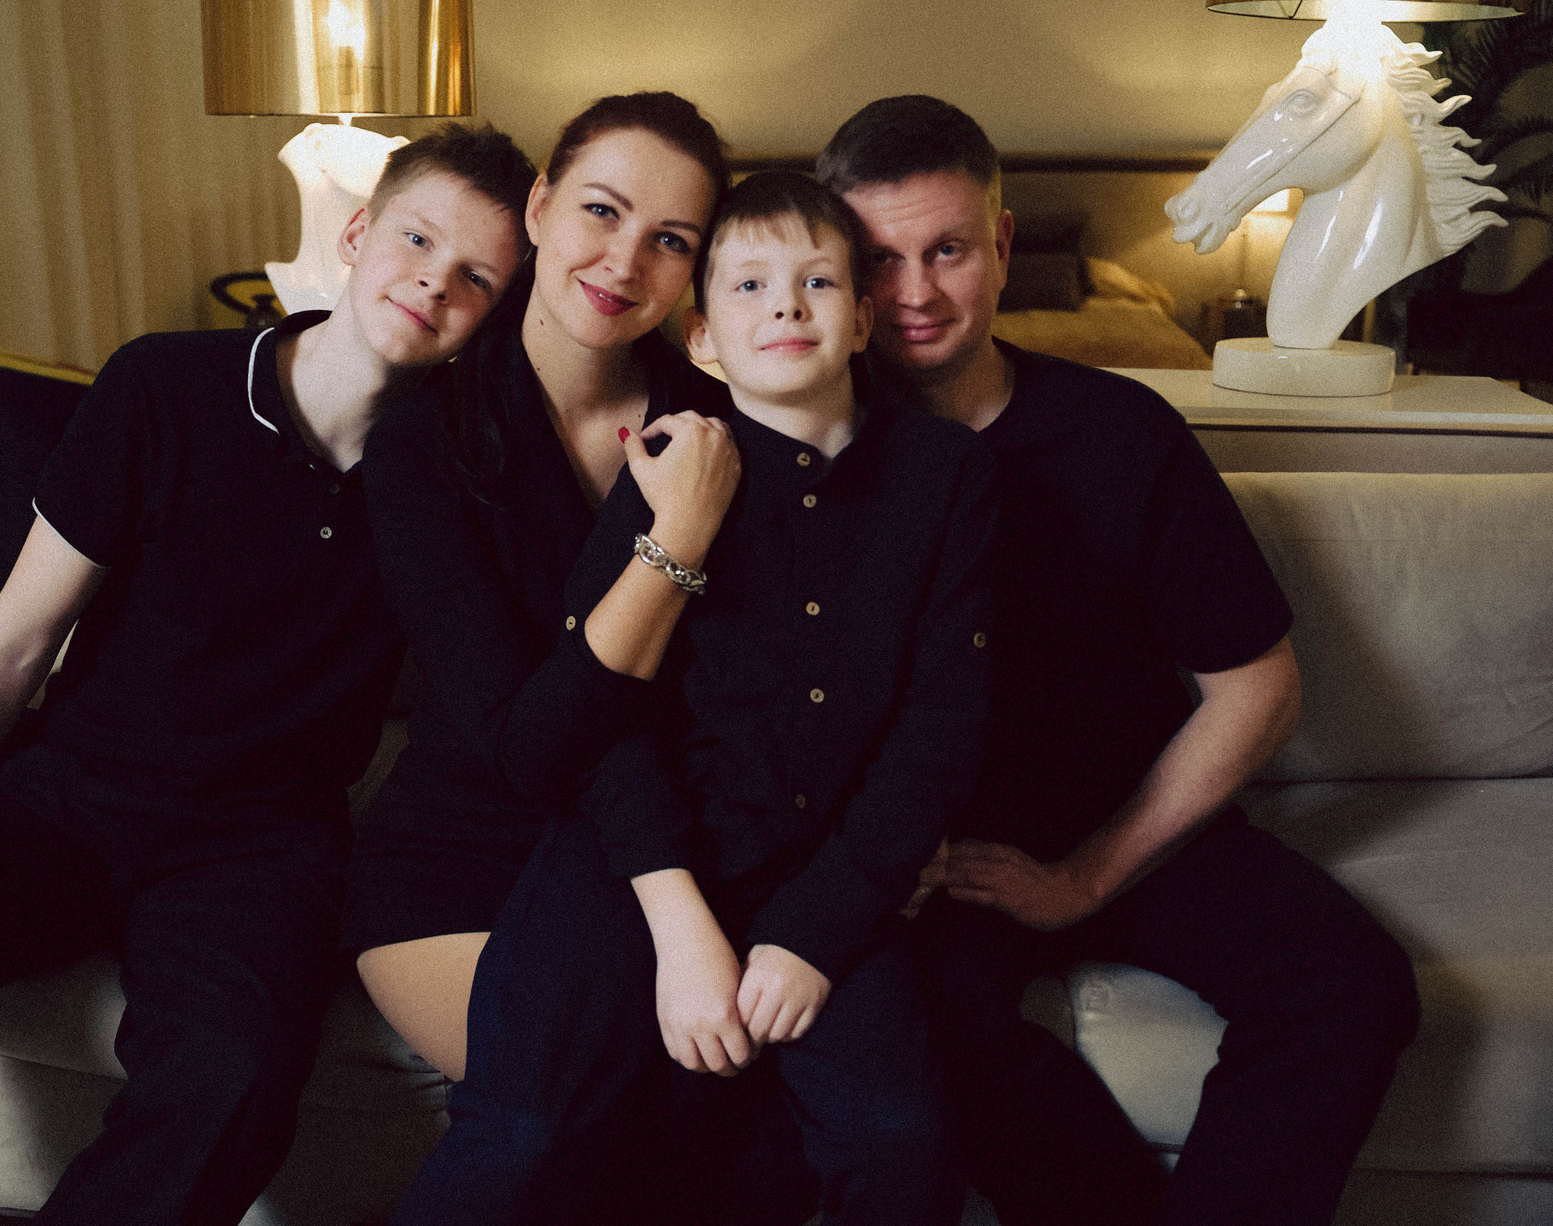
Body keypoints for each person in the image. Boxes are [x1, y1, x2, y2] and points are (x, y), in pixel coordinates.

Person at [0, 124, 536, 1226]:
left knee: (235, 1070)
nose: (435, 281)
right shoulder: (163, 384)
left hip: (261, 842)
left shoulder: (458, 473)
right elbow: (14, 641)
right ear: (355, 234)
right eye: (418, 239)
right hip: (73, 789)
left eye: (477, 276)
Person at [820, 95, 1421, 1226]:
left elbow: (1259, 689)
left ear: (1002, 245)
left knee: (1357, 985)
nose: (913, 294)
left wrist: (1087, 875)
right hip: (934, 858)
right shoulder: (808, 450)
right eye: (877, 259)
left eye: (947, 250)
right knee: (919, 1049)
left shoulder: (1121, 429)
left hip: (1139, 821)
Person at [385, 169, 997, 1226]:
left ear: (863, 321)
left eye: (816, 283)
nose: (786, 306)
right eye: (750, 286)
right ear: (705, 338)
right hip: (640, 856)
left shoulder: (945, 474)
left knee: (899, 1136)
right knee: (528, 1124)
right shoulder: (667, 463)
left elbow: (941, 731)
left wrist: (814, 934)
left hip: (830, 867)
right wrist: (680, 933)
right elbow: (606, 720)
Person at [345, 92, 742, 1086]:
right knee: (561, 1105)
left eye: (671, 240)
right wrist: (677, 541)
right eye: (601, 211)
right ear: (539, 206)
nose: (624, 263)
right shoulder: (421, 438)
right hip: (457, 851)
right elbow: (518, 748)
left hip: (656, 839)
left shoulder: (724, 427)